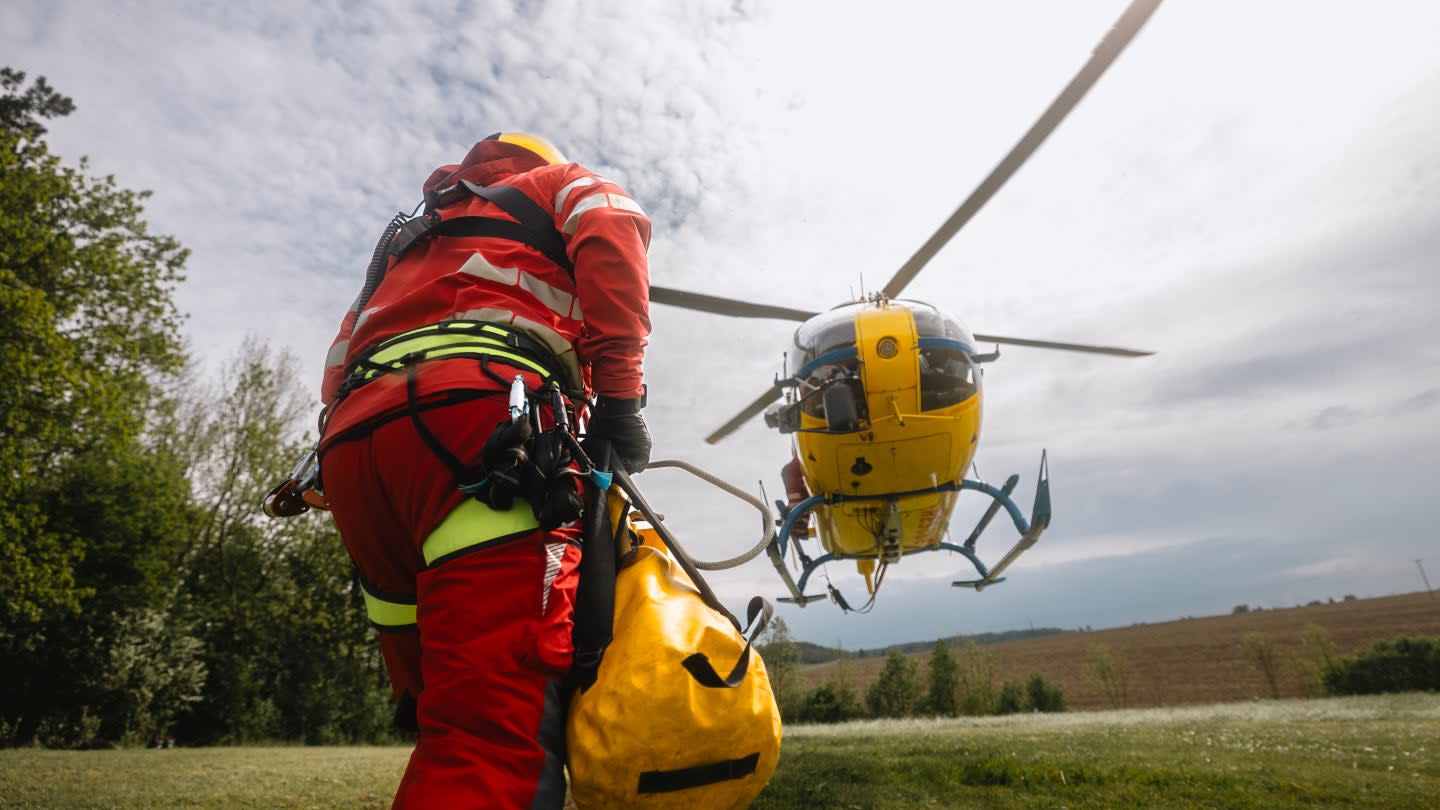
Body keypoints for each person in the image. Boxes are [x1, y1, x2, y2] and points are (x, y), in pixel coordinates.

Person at [314, 132, 652, 809]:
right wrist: (620, 399)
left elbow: (338, 360)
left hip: (353, 448)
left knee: (440, 710)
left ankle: (417, 700)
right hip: (479, 430)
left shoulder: (412, 237)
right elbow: (612, 223)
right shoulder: (556, 183)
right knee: (491, 732)